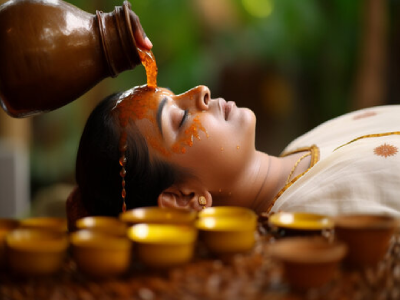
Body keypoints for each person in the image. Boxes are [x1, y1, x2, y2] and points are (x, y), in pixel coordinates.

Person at [67, 84, 400, 229]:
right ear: (184, 198)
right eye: (181, 119)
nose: (200, 92)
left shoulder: (307, 141)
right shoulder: (311, 221)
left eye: (177, 94)